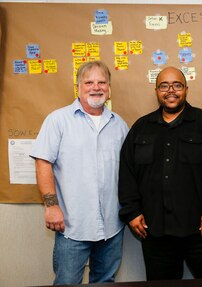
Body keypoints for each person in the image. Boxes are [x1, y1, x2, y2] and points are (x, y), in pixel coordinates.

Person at [118, 66, 202, 281]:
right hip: (156, 234)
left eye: (177, 85)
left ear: (186, 90)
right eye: (164, 85)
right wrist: (132, 212)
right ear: (156, 91)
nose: (170, 90)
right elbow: (127, 173)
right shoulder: (141, 128)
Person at [30, 61, 129, 284]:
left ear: (109, 87)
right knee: (67, 282)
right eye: (89, 82)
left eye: (102, 82)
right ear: (78, 87)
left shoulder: (120, 125)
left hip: (112, 226)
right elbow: (43, 163)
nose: (96, 87)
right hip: (72, 225)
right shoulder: (58, 120)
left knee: (105, 281)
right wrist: (51, 206)